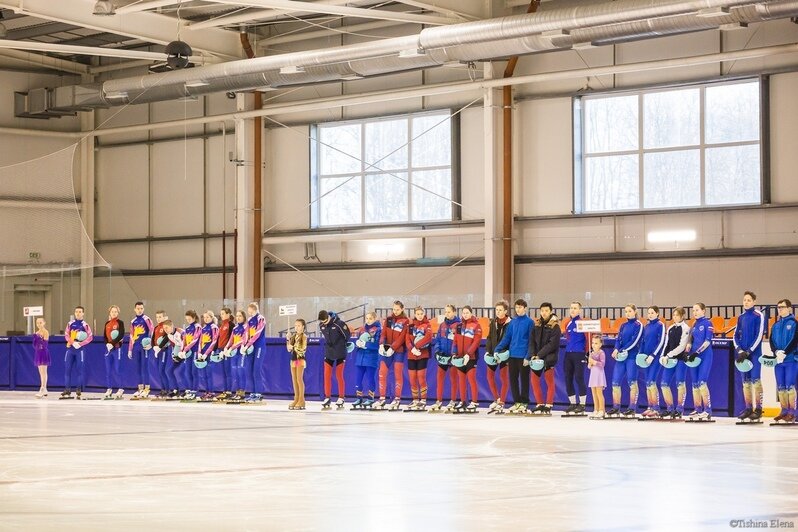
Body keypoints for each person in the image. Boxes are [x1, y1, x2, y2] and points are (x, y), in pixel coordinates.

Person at [494, 299, 535, 414]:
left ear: (525, 308)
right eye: (516, 307)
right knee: (513, 380)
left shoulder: (530, 322)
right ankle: (517, 402)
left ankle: (524, 403)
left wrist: (528, 356)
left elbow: (531, 341)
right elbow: (507, 338)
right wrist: (497, 349)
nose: (518, 309)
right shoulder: (513, 322)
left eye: (520, 307)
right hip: (512, 355)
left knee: (524, 380)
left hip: (523, 356)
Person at [734, 291, 766, 421]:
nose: (746, 302)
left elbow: (759, 335)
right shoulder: (741, 317)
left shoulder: (758, 315)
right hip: (743, 354)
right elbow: (735, 335)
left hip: (754, 354)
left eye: (749, 300)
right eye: (744, 300)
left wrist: (749, 351)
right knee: (745, 382)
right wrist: (740, 350)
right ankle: (748, 408)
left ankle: (758, 409)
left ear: (754, 302)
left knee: (755, 380)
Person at [607, 304, 643, 418]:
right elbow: (618, 339)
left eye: (629, 311)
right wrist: (616, 349)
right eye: (626, 311)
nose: (627, 313)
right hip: (621, 358)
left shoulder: (639, 325)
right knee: (615, 382)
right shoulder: (623, 325)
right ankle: (616, 407)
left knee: (632, 382)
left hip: (632, 357)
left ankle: (632, 408)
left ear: (635, 311)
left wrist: (622, 350)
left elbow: (635, 341)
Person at [377, 301, 410, 410]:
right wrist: (382, 344)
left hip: (399, 351)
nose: (395, 311)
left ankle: (397, 399)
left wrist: (393, 347)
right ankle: (382, 398)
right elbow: (383, 333)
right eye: (394, 309)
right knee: (382, 373)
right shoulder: (389, 319)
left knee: (398, 374)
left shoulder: (405, 321)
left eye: (397, 309)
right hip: (386, 350)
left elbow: (402, 337)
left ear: (402, 309)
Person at [659, 307, 690, 419]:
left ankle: (679, 409)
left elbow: (682, 346)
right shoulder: (671, 328)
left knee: (680, 384)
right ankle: (669, 408)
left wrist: (669, 355)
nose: (675, 317)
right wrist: (663, 356)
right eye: (674, 315)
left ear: (682, 316)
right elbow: (666, 344)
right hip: (670, 360)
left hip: (680, 360)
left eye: (677, 315)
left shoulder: (686, 328)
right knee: (664, 384)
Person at [529, 303, 560, 415]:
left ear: (551, 311)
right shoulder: (536, 324)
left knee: (549, 381)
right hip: (536, 357)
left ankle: (549, 405)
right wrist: (533, 354)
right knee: (534, 380)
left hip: (549, 357)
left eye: (546, 310)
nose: (544, 313)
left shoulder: (555, 326)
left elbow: (552, 344)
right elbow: (531, 341)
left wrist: (539, 355)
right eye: (542, 310)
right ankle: (540, 404)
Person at [685, 303, 714, 421]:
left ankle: (707, 410)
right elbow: (690, 339)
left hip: (705, 356)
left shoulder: (708, 323)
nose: (695, 312)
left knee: (702, 382)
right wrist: (688, 348)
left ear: (704, 311)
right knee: (695, 383)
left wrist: (697, 352)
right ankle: (697, 408)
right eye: (693, 310)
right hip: (694, 357)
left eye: (697, 310)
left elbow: (708, 341)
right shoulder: (694, 324)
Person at [770, 299, 797, 423]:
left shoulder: (794, 323)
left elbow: (795, 340)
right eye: (778, 307)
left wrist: (785, 352)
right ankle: (784, 410)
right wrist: (776, 352)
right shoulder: (775, 325)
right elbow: (771, 341)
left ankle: (793, 412)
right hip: (779, 361)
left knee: (790, 386)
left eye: (782, 307)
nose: (780, 309)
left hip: (791, 360)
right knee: (781, 387)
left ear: (789, 308)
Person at [430, 304, 460, 412]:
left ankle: (453, 401)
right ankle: (439, 401)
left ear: (454, 312)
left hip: (452, 357)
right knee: (439, 379)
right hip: (442, 356)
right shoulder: (442, 325)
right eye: (445, 312)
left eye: (449, 312)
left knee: (454, 380)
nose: (447, 314)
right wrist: (437, 351)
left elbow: (459, 341)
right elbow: (438, 339)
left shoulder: (459, 324)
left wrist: (454, 353)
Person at [452, 306, 482, 413]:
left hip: (471, 358)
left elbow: (476, 342)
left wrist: (469, 354)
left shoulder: (476, 326)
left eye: (467, 313)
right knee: (461, 380)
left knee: (471, 379)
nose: (465, 315)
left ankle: (474, 402)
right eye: (463, 313)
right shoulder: (459, 326)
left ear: (471, 313)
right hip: (460, 358)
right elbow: (455, 341)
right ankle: (463, 401)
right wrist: (454, 353)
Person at [318, 309, 350, 409]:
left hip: (340, 352)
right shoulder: (321, 326)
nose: (323, 323)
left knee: (339, 375)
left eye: (325, 321)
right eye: (322, 321)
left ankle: (341, 397)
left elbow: (347, 335)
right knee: (326, 375)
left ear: (328, 317)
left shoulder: (339, 324)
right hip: (329, 352)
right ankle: (327, 397)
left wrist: (340, 345)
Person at [638, 306, 666, 418]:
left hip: (655, 358)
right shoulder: (647, 326)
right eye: (648, 313)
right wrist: (640, 354)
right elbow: (643, 342)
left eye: (652, 312)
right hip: (646, 358)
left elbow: (661, 342)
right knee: (647, 382)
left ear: (657, 313)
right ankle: (650, 406)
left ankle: (656, 408)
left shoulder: (660, 325)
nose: (650, 315)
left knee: (651, 381)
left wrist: (653, 355)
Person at [61, 306, 93, 400]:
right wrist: (72, 342)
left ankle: (78, 389)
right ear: (75, 313)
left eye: (80, 312)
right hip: (70, 349)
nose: (78, 313)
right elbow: (66, 335)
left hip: (80, 350)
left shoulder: (85, 325)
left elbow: (90, 337)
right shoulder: (70, 323)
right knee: (67, 370)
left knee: (79, 370)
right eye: (76, 312)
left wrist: (80, 344)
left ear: (83, 313)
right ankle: (67, 389)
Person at [484, 300, 511, 413]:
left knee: (504, 378)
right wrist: (488, 351)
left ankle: (502, 402)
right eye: (497, 310)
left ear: (505, 311)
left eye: (500, 310)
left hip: (504, 354)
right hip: (493, 353)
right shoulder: (493, 322)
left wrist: (504, 352)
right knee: (489, 376)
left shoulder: (511, 323)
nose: (498, 312)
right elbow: (490, 337)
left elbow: (509, 339)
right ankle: (496, 399)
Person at [563, 301, 589, 415]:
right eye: (571, 308)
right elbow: (568, 338)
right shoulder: (568, 323)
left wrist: (587, 353)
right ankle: (572, 404)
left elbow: (588, 338)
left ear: (579, 310)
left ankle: (582, 405)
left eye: (575, 308)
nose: (573, 310)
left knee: (579, 378)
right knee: (568, 378)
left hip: (579, 353)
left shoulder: (582, 323)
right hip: (568, 353)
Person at [406, 307, 433, 411]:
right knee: (412, 378)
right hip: (411, 355)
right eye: (418, 314)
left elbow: (428, 337)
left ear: (424, 314)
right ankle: (415, 400)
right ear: (415, 314)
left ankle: (423, 400)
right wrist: (412, 349)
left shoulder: (427, 325)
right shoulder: (410, 326)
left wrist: (417, 346)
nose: (420, 315)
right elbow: (407, 339)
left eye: (421, 313)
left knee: (421, 377)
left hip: (422, 355)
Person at [353, 312, 381, 409]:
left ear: (375, 319)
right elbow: (358, 340)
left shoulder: (378, 330)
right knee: (358, 379)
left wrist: (366, 345)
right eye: (367, 318)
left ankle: (370, 398)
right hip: (360, 358)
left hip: (371, 358)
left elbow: (377, 345)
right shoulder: (362, 329)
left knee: (370, 379)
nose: (368, 320)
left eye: (370, 318)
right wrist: (358, 344)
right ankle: (359, 397)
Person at [128, 301, 154, 399]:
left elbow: (153, 331)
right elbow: (131, 336)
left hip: (145, 346)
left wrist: (151, 343)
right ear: (135, 309)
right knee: (138, 368)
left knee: (145, 367)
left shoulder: (146, 319)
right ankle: (140, 389)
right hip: (136, 347)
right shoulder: (133, 321)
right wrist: (130, 349)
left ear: (143, 309)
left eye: (141, 308)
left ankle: (147, 389)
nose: (139, 310)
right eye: (138, 308)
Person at [242, 302, 267, 403]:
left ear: (254, 309)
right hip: (250, 347)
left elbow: (258, 332)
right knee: (249, 370)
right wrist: (244, 344)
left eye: (250, 310)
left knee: (256, 369)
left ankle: (259, 393)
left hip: (259, 346)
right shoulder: (249, 320)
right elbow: (246, 332)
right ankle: (252, 392)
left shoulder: (260, 318)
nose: (248, 312)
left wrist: (249, 343)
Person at [176, 310, 201, 400]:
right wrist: (182, 350)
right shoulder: (187, 328)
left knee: (194, 372)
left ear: (194, 318)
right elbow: (184, 340)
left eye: (189, 319)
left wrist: (185, 349)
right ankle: (189, 390)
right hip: (188, 353)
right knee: (187, 372)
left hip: (195, 352)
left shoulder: (197, 327)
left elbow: (195, 340)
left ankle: (195, 391)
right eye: (187, 319)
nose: (188, 321)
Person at [103, 305, 126, 399]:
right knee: (108, 370)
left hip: (117, 349)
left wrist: (112, 343)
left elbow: (121, 334)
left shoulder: (120, 322)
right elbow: (105, 336)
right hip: (108, 349)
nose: (114, 313)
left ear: (118, 313)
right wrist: (107, 344)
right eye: (112, 311)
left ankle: (121, 388)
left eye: (116, 312)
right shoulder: (107, 323)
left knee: (117, 369)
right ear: (110, 313)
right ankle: (109, 389)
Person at [226, 310, 249, 402]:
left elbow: (243, 340)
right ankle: (237, 391)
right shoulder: (235, 328)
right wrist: (226, 348)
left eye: (240, 316)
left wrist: (231, 347)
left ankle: (242, 392)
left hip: (241, 352)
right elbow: (231, 339)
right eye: (237, 316)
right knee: (234, 372)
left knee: (241, 371)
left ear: (244, 317)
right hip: (234, 353)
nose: (238, 317)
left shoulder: (246, 327)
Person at [152, 313, 176, 398]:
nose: (158, 319)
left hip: (164, 351)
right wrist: (154, 347)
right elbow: (152, 339)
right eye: (157, 317)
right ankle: (163, 389)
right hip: (157, 351)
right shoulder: (155, 328)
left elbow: (167, 338)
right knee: (159, 370)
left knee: (162, 370)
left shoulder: (166, 327)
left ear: (164, 317)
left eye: (160, 317)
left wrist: (159, 347)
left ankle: (167, 389)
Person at [197, 310, 220, 401]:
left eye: (208, 317)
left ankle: (211, 392)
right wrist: (199, 352)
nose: (206, 319)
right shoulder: (203, 327)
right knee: (204, 374)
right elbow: (200, 341)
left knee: (209, 373)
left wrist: (207, 353)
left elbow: (214, 341)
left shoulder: (214, 327)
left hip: (209, 353)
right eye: (204, 317)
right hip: (202, 353)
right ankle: (206, 391)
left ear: (211, 318)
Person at [286, 318, 308, 410]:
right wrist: (288, 340)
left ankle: (301, 400)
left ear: (303, 327)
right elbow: (288, 349)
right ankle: (296, 398)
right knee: (294, 380)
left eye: (298, 325)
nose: (296, 327)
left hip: (300, 359)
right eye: (295, 326)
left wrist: (293, 346)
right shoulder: (293, 336)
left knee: (299, 379)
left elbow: (302, 349)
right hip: (293, 360)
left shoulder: (304, 337)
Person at [215, 307, 234, 401]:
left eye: (223, 313)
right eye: (221, 314)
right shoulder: (221, 325)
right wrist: (215, 350)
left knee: (228, 371)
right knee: (223, 372)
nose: (221, 315)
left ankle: (229, 392)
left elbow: (232, 338)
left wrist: (227, 349)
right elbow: (218, 338)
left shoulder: (231, 325)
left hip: (227, 350)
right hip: (221, 349)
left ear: (228, 314)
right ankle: (225, 390)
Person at [587, 335, 606, 419]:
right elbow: (589, 366)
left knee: (599, 393)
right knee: (594, 393)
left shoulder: (601, 353)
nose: (594, 345)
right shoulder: (591, 353)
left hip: (599, 375)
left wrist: (593, 362)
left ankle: (602, 410)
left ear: (600, 344)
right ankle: (596, 409)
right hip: (593, 375)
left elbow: (602, 364)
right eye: (593, 343)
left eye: (596, 343)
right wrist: (589, 363)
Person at [33, 317, 50, 399]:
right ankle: (45, 389)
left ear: (44, 323)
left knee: (44, 372)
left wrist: (39, 338)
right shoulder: (37, 332)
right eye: (37, 323)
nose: (39, 324)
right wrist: (36, 338)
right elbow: (35, 345)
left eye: (40, 322)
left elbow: (45, 345)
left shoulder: (46, 332)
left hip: (43, 353)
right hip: (38, 353)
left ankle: (42, 388)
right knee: (40, 372)